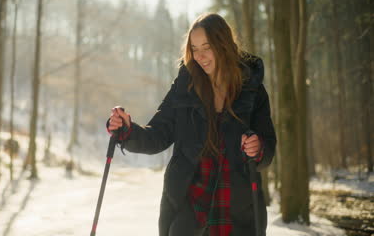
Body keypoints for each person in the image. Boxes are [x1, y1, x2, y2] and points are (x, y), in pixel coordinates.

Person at [107, 13, 276, 236]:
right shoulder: (185, 87)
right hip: (190, 208)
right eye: (194, 49)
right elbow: (157, 135)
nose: (200, 56)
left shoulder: (252, 91)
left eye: (207, 47)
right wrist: (127, 130)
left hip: (237, 211)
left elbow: (267, 145)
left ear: (223, 45)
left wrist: (258, 147)